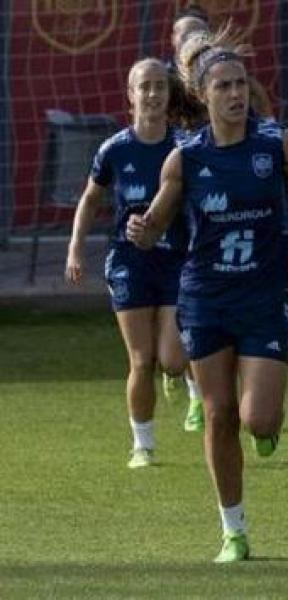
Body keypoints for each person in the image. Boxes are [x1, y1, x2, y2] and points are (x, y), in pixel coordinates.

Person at [126, 29, 288, 562]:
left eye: (241, 84)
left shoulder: (275, 143)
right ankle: (233, 532)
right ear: (203, 95)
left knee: (258, 419)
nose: (236, 94)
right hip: (205, 296)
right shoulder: (185, 160)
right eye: (224, 86)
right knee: (218, 416)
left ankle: (268, 421)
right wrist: (140, 231)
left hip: (263, 295)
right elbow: (156, 224)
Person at [65, 59, 195, 468]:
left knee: (172, 358)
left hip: (175, 260)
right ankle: (142, 445)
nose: (153, 94)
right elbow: (90, 198)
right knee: (141, 360)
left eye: (160, 86)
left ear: (169, 94)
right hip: (129, 261)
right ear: (131, 95)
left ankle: (178, 376)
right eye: (145, 87)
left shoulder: (185, 147)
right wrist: (75, 248)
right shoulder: (115, 149)